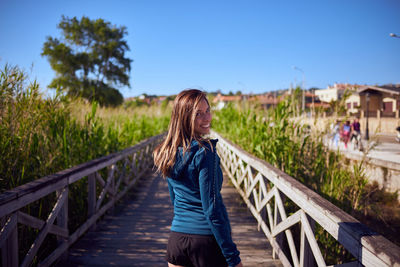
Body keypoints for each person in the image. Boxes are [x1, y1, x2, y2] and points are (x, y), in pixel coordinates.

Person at [153, 89, 243, 267]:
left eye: (208, 110)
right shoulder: (205, 151)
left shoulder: (167, 152)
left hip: (176, 240)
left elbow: (174, 198)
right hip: (205, 242)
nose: (207, 118)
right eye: (199, 114)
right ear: (184, 118)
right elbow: (212, 208)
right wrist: (233, 258)